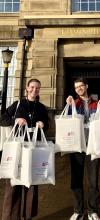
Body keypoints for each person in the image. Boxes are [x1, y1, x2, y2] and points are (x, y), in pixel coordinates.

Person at [0, 78, 49, 220]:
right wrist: (15, 120)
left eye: (37, 88)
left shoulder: (41, 107)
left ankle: (28, 216)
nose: (35, 90)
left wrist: (43, 124)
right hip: (17, 149)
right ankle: (11, 217)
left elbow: (48, 125)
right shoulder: (18, 104)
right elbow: (2, 119)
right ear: (27, 88)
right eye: (32, 87)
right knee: (13, 184)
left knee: (31, 184)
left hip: (34, 149)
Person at [66, 77, 100, 220]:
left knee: (93, 180)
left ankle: (93, 210)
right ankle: (78, 210)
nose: (79, 89)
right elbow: (67, 122)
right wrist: (69, 106)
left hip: (93, 146)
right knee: (76, 180)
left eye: (81, 86)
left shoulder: (96, 103)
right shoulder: (73, 103)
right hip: (77, 146)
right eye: (76, 87)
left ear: (86, 86)